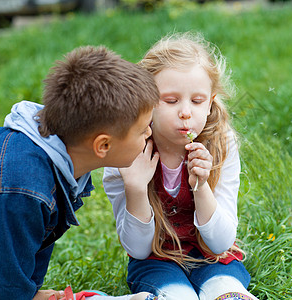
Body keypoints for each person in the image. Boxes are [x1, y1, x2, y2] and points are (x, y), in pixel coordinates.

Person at [0, 46, 160, 300]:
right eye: (143, 129)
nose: (149, 134)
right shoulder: (23, 189)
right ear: (103, 145)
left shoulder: (58, 165)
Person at [103, 32, 258, 300]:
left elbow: (220, 242)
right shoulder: (126, 152)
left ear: (210, 104)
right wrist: (135, 189)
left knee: (227, 292)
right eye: (171, 100)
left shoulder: (221, 144)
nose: (185, 111)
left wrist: (201, 187)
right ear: (146, 101)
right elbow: (138, 249)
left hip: (213, 257)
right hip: (155, 261)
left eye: (197, 101)